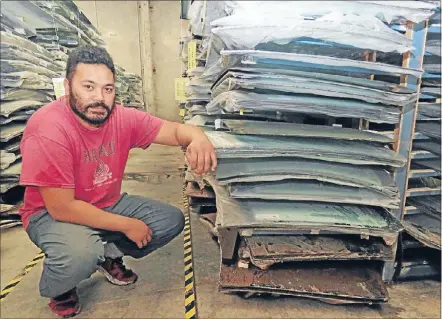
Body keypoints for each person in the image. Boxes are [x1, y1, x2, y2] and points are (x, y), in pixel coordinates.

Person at [18, 45, 217, 318]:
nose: (99, 98)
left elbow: (173, 130)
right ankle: (61, 285)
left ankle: (106, 255)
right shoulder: (48, 128)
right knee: (80, 253)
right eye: (88, 87)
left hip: (105, 203)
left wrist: (198, 136)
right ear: (67, 86)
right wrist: (127, 224)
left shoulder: (121, 117)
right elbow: (62, 208)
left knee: (169, 220)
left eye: (107, 89)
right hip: (50, 214)